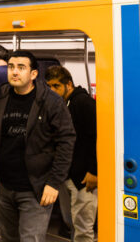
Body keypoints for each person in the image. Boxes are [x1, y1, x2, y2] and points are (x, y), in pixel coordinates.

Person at [0, 50, 76, 242]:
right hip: (3, 187)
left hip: (36, 189)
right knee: (8, 238)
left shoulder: (51, 101)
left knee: (31, 239)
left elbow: (66, 141)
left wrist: (54, 183)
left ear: (33, 74)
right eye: (11, 67)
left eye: (21, 68)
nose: (15, 72)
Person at [46, 65, 97, 242]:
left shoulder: (83, 103)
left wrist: (94, 171)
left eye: (56, 86)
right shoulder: (61, 105)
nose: (52, 90)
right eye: (49, 87)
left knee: (83, 226)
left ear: (68, 84)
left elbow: (96, 138)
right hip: (66, 174)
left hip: (83, 177)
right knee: (71, 222)